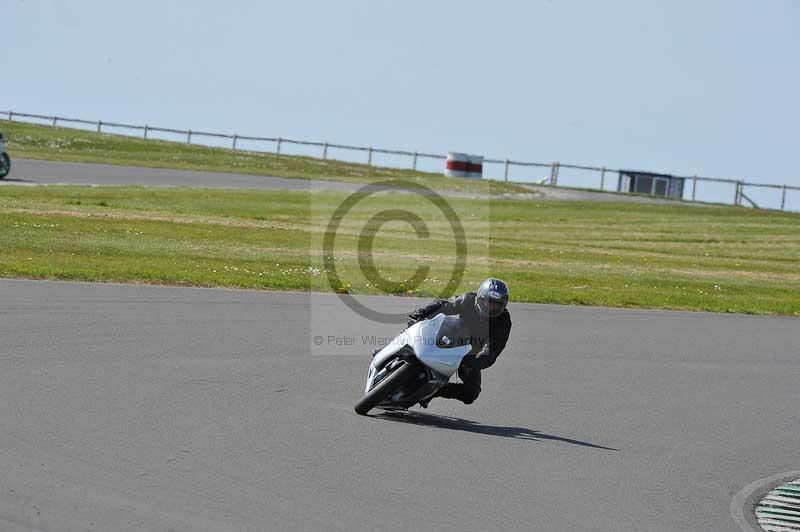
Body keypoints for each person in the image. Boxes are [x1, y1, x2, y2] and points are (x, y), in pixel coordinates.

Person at [406, 278, 512, 406]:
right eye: (488, 302)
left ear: (503, 305)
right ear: (479, 298)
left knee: (471, 393)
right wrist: (422, 312)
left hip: (469, 354)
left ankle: (431, 390)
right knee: (415, 324)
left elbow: (493, 349)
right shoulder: (468, 299)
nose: (491, 307)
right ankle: (395, 348)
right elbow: (445, 305)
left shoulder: (503, 321)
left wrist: (475, 362)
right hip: (450, 334)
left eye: (496, 304)